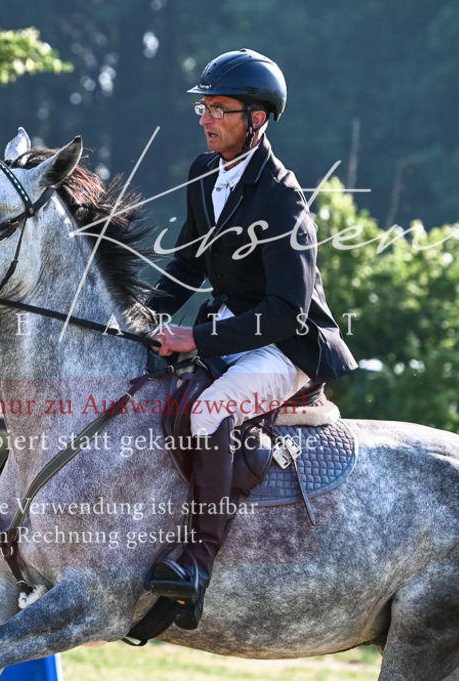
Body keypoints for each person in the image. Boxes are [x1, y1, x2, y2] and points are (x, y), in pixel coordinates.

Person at [144, 48, 358, 629]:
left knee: (211, 410)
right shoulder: (202, 172)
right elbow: (188, 262)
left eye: (221, 109)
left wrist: (198, 337)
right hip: (233, 332)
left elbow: (287, 313)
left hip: (287, 347)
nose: (207, 118)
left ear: (256, 120)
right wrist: (147, 311)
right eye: (204, 108)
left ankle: (198, 562)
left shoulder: (284, 201)